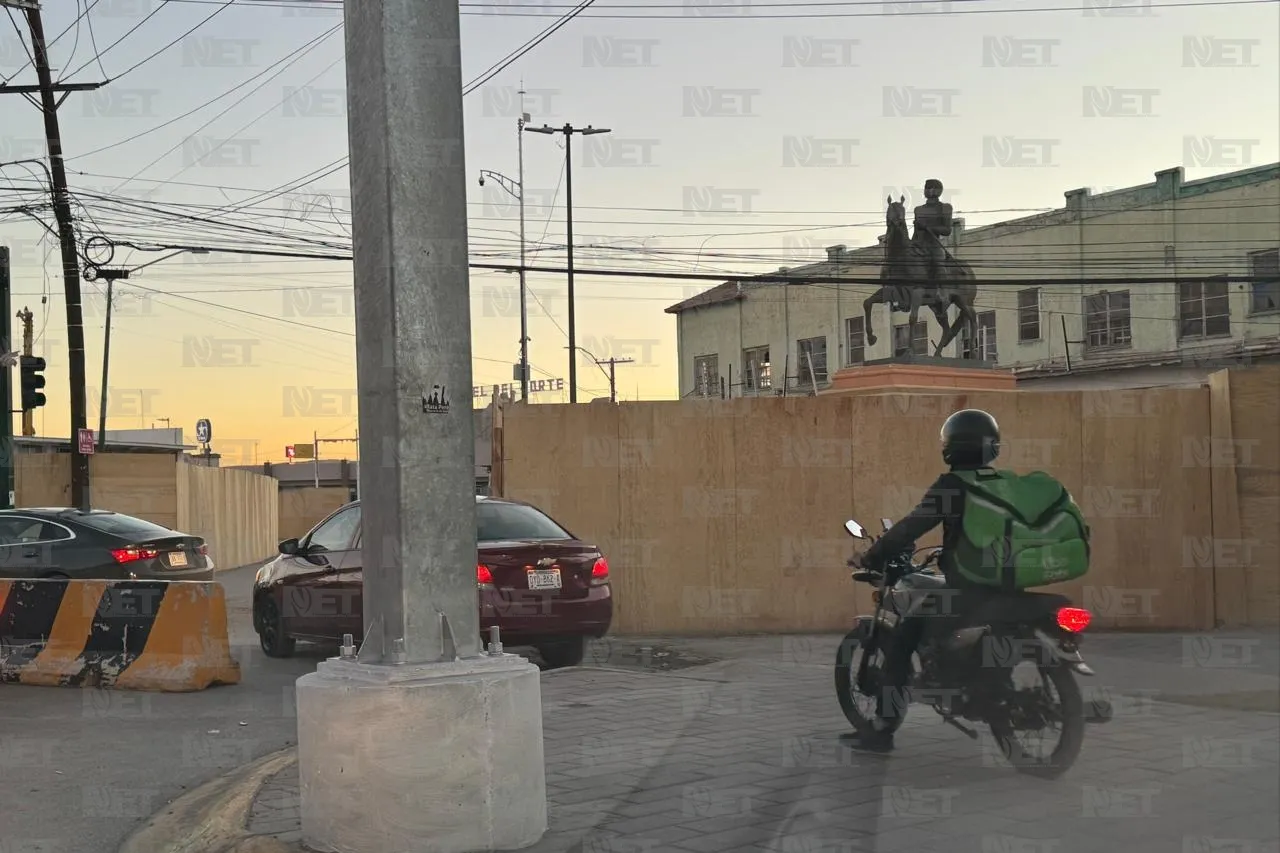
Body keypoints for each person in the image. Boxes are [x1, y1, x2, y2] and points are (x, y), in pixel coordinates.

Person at [846, 408, 1004, 753]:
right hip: (1008, 588)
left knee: (904, 636)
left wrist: (872, 555)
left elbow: (912, 526)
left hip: (968, 591)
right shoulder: (1003, 484)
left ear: (949, 447)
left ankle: (882, 729)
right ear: (993, 447)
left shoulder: (953, 485)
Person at [911, 178, 954, 304]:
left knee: (938, 265)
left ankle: (943, 294)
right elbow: (916, 231)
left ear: (938, 191)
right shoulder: (918, 209)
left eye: (931, 187)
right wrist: (911, 243)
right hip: (918, 244)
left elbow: (947, 230)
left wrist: (928, 227)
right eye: (926, 187)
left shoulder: (945, 207)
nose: (928, 190)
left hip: (934, 245)